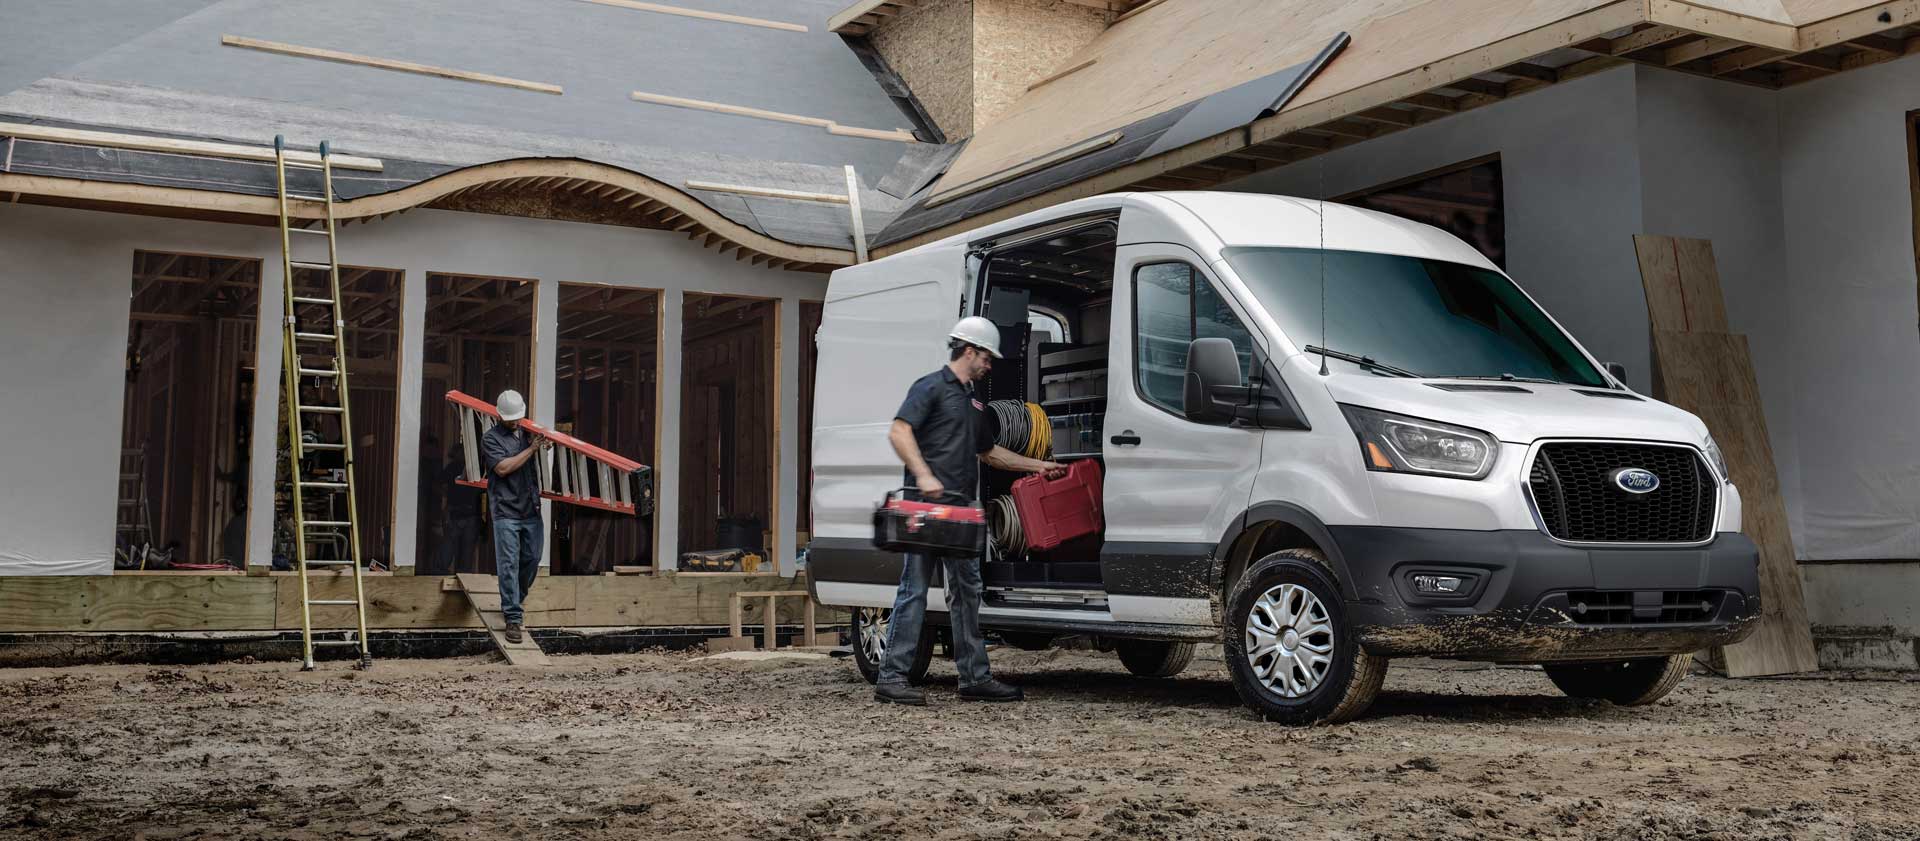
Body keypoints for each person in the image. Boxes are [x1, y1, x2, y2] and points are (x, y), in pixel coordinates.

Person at [875, 316, 1063, 705]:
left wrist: (1040, 466)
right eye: (987, 358)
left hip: (960, 514)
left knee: (967, 592)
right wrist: (925, 475)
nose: (990, 365)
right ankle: (891, 679)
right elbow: (899, 430)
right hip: (924, 510)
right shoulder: (929, 387)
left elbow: (990, 452)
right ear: (969, 350)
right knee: (914, 592)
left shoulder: (973, 401)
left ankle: (974, 678)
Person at [481, 389, 550, 643]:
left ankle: (515, 599)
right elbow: (502, 468)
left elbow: (542, 450)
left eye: (517, 418)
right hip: (506, 511)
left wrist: (544, 446)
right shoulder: (491, 439)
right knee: (508, 564)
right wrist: (532, 449)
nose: (515, 422)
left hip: (530, 508)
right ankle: (513, 618)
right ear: (500, 416)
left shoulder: (527, 432)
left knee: (532, 558)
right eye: (511, 419)